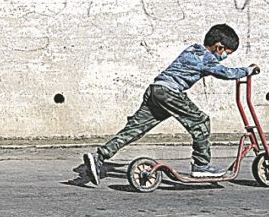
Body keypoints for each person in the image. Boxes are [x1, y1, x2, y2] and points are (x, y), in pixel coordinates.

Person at [83, 24, 258, 186]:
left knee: (135, 129)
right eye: (226, 53)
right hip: (169, 93)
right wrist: (248, 70)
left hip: (155, 90)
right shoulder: (205, 57)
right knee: (201, 121)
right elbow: (226, 73)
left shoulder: (193, 49)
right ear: (218, 47)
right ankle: (201, 166)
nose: (224, 57)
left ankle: (99, 156)